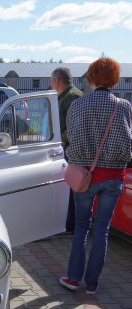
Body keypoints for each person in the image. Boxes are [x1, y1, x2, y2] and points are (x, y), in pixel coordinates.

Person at [59, 57, 132, 295]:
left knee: (81, 227)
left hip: (84, 176)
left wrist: (76, 157)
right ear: (115, 78)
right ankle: (92, 284)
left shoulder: (78, 105)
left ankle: (72, 278)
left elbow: (72, 141)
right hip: (114, 177)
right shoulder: (124, 106)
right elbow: (127, 144)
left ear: (90, 77)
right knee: (102, 230)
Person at [50, 67, 83, 233]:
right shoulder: (66, 96)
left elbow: (73, 125)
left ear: (57, 80)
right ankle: (68, 222)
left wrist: (62, 142)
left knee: (71, 187)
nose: (51, 84)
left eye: (51, 80)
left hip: (71, 149)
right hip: (66, 147)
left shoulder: (72, 97)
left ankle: (71, 225)